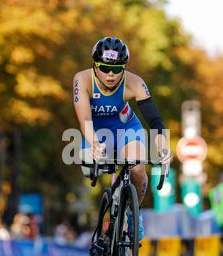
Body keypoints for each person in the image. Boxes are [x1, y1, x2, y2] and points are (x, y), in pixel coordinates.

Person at [73, 37, 172, 240]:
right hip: (96, 131)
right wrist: (94, 144)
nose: (111, 74)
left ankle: (134, 213)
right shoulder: (82, 80)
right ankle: (109, 215)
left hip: (127, 128)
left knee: (137, 167)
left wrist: (163, 148)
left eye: (117, 69)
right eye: (105, 68)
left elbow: (155, 121)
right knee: (87, 168)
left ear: (124, 68)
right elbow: (84, 119)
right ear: (94, 64)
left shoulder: (134, 82)